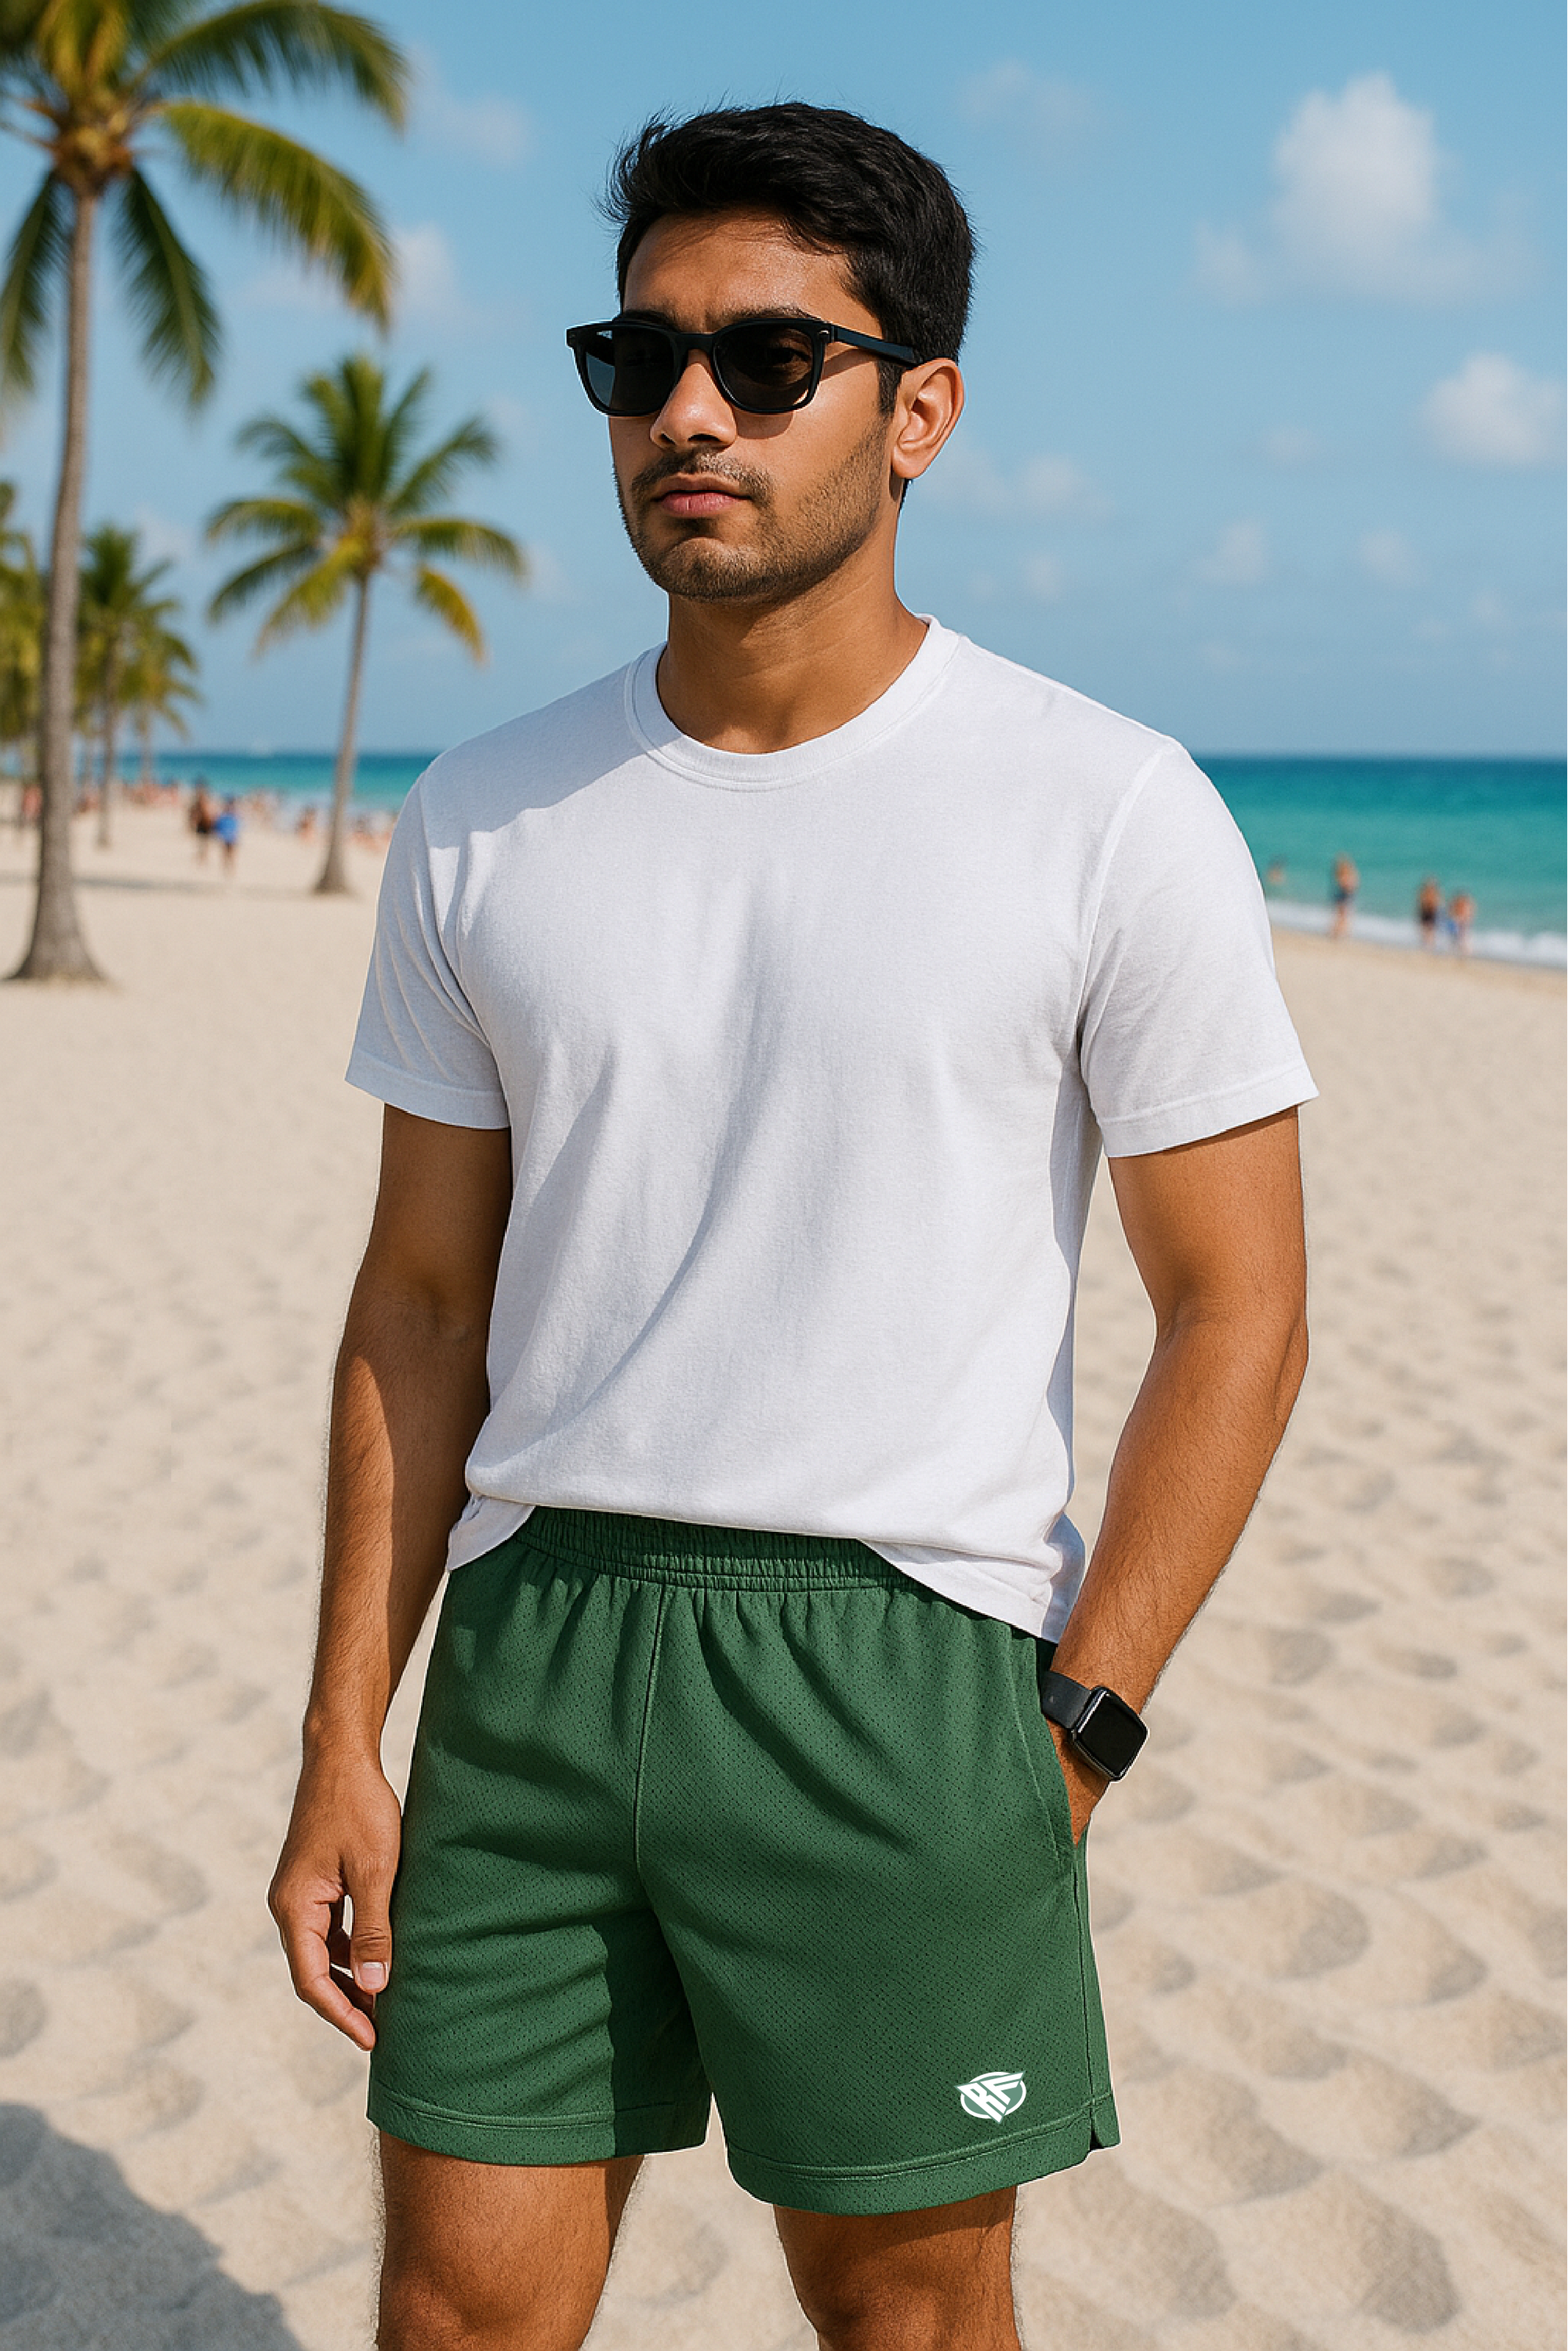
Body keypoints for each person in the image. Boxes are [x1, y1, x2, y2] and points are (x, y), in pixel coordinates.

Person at [268, 104, 1314, 2351]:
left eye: (767, 357)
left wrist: (1077, 1725)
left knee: (909, 2303)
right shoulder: (485, 817)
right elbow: (421, 1303)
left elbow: (1237, 1309)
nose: (691, 413)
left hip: (900, 1654)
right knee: (456, 2301)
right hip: (533, 1645)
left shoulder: (1105, 807)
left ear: (919, 406)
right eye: (638, 359)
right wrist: (347, 1732)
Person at [1330, 851, 1359, 939]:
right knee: (1343, 914)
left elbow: (1352, 884)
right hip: (1344, 894)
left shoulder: (1346, 873)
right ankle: (1340, 932)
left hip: (1345, 894)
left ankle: (1340, 932)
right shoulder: (1347, 873)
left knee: (1342, 914)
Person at [212, 795, 241, 874]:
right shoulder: (227, 815)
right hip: (227, 836)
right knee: (226, 854)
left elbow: (237, 826)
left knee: (230, 854)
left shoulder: (232, 815)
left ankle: (230, 869)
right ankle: (227, 869)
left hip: (230, 836)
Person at [1417, 874, 1443, 948]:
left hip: (1431, 912)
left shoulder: (1434, 892)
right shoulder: (1425, 892)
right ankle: (1427, 943)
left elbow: (1438, 902)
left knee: (1431, 929)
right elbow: (1421, 901)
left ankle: (1430, 944)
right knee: (1425, 929)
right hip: (1426, 911)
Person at [1447, 887, 1475, 956]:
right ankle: (1460, 951)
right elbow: (1451, 912)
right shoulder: (1457, 904)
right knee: (1456, 938)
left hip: (1462, 923)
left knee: (1463, 938)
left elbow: (1470, 914)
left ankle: (1464, 951)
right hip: (1457, 922)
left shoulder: (1466, 904)